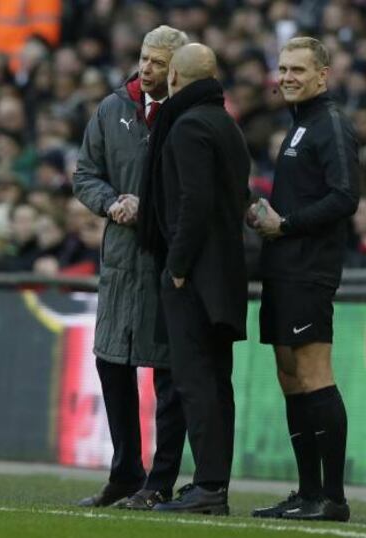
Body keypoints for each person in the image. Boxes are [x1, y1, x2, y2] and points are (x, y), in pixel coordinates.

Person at [72, 25, 189, 510]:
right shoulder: (111, 108)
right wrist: (109, 202)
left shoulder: (189, 115)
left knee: (167, 375)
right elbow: (84, 173)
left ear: (177, 69)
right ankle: (125, 473)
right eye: (144, 57)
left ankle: (160, 481)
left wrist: (152, 207)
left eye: (159, 63)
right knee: (111, 361)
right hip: (121, 260)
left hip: (167, 261)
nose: (147, 68)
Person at [250, 37, 359, 522]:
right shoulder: (299, 126)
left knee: (315, 375)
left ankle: (332, 498)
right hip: (283, 266)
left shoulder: (330, 125)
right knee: (290, 377)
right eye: (283, 68)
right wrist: (269, 219)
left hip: (309, 269)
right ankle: (308, 491)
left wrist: (286, 225)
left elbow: (344, 196)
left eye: (298, 69)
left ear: (322, 75)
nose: (288, 76)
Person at [138, 43, 250, 515]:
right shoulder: (225, 125)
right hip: (225, 273)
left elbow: (193, 203)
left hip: (194, 276)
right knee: (216, 382)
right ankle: (213, 484)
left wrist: (178, 266)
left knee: (194, 380)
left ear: (177, 80)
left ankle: (207, 487)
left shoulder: (186, 126)